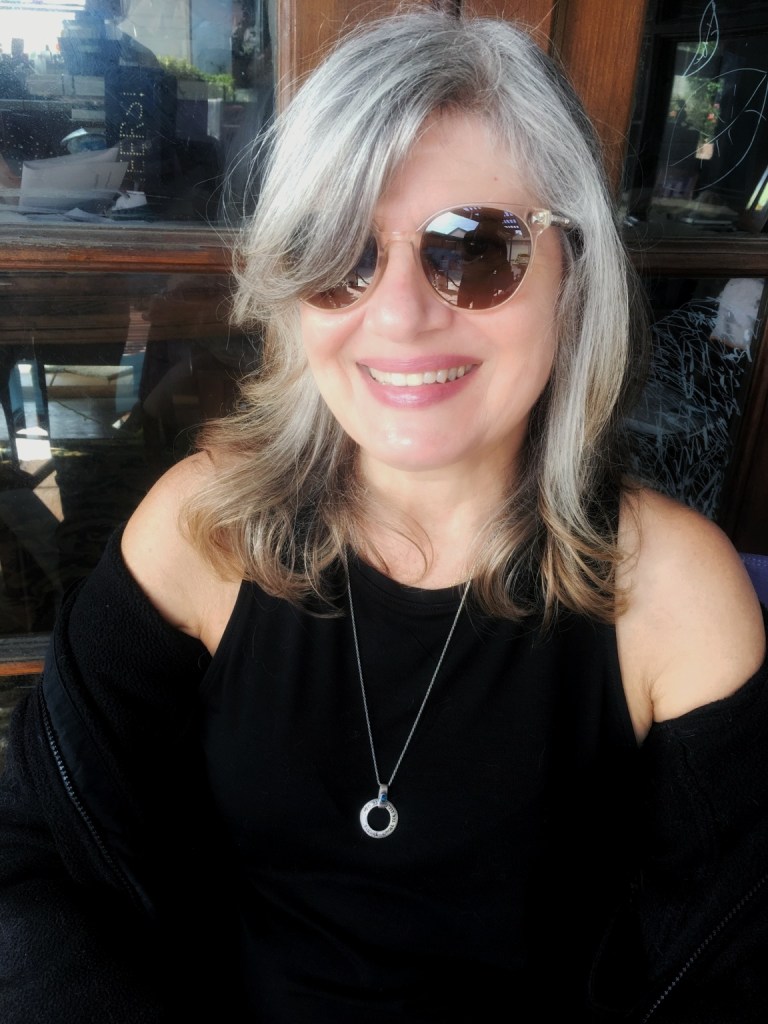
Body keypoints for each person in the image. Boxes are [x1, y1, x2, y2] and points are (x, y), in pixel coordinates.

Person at [1, 8, 767, 1022]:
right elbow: (31, 855)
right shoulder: (203, 528)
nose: (400, 314)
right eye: (341, 255)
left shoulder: (673, 595)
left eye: (476, 250)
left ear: (573, 273)